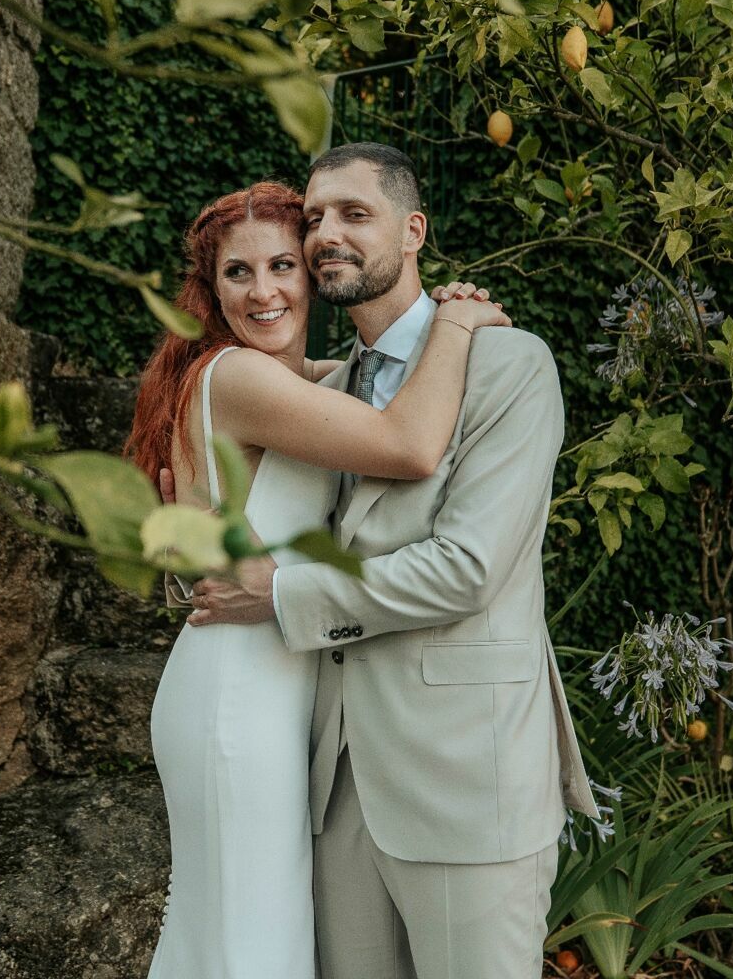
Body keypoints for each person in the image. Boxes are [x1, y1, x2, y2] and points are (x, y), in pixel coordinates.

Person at [186, 144, 598, 979]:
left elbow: (467, 569)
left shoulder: (510, 366)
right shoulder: (323, 394)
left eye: (354, 214)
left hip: (465, 784)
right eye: (314, 219)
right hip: (335, 793)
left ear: (414, 231)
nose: (326, 234)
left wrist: (283, 595)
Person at [125, 177, 510, 979]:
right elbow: (407, 445)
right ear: (212, 288)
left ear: (311, 274)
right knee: (248, 946)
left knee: (244, 939)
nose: (264, 291)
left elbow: (369, 387)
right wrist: (458, 321)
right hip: (240, 694)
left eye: (282, 267)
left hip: (271, 681)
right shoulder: (240, 377)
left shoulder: (307, 384)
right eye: (238, 273)